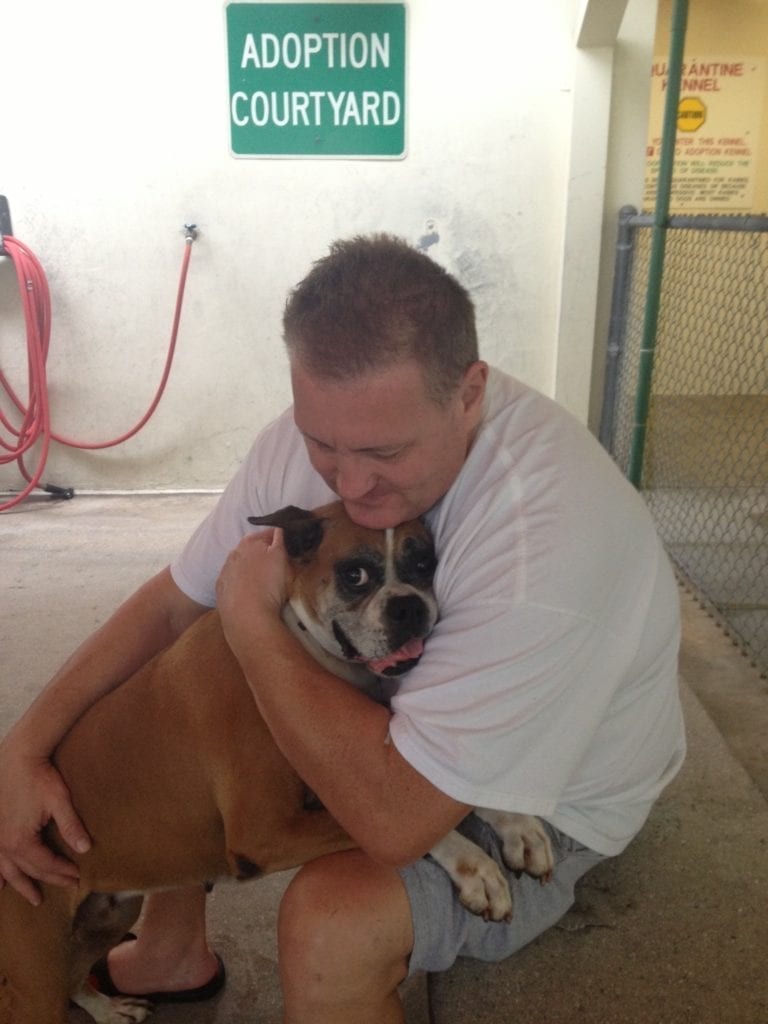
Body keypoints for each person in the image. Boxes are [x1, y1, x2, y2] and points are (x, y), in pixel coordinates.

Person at [0, 234, 685, 1023]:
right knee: (195, 704)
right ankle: (168, 951)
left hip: (557, 788)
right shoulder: (306, 448)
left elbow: (391, 823)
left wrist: (252, 623)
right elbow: (170, 606)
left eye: (382, 451)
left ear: (469, 395)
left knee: (329, 925)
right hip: (411, 750)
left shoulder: (542, 543)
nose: (349, 483)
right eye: (322, 443)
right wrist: (21, 750)